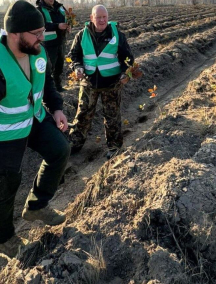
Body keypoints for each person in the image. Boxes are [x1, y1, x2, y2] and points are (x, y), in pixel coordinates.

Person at [0, 0, 70, 259]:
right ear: (15, 34)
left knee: (60, 150)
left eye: (43, 32)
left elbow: (47, 81)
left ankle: (37, 205)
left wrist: (58, 107)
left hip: (35, 118)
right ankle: (5, 237)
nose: (43, 37)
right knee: (7, 183)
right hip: (6, 132)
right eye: (37, 33)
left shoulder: (38, 51)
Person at [68, 4, 134, 158]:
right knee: (83, 114)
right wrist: (77, 67)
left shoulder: (117, 35)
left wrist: (126, 73)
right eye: (98, 17)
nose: (102, 20)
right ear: (92, 18)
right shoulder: (81, 35)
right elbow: (74, 55)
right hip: (89, 82)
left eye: (104, 17)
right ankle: (74, 144)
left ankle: (114, 147)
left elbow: (128, 58)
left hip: (111, 83)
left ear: (108, 18)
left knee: (112, 116)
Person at [36, 0, 70, 92]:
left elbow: (68, 19)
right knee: (49, 68)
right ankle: (47, 90)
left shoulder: (61, 8)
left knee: (59, 66)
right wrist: (57, 26)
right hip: (48, 44)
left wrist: (69, 26)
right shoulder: (39, 10)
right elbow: (41, 25)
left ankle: (58, 87)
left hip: (61, 41)